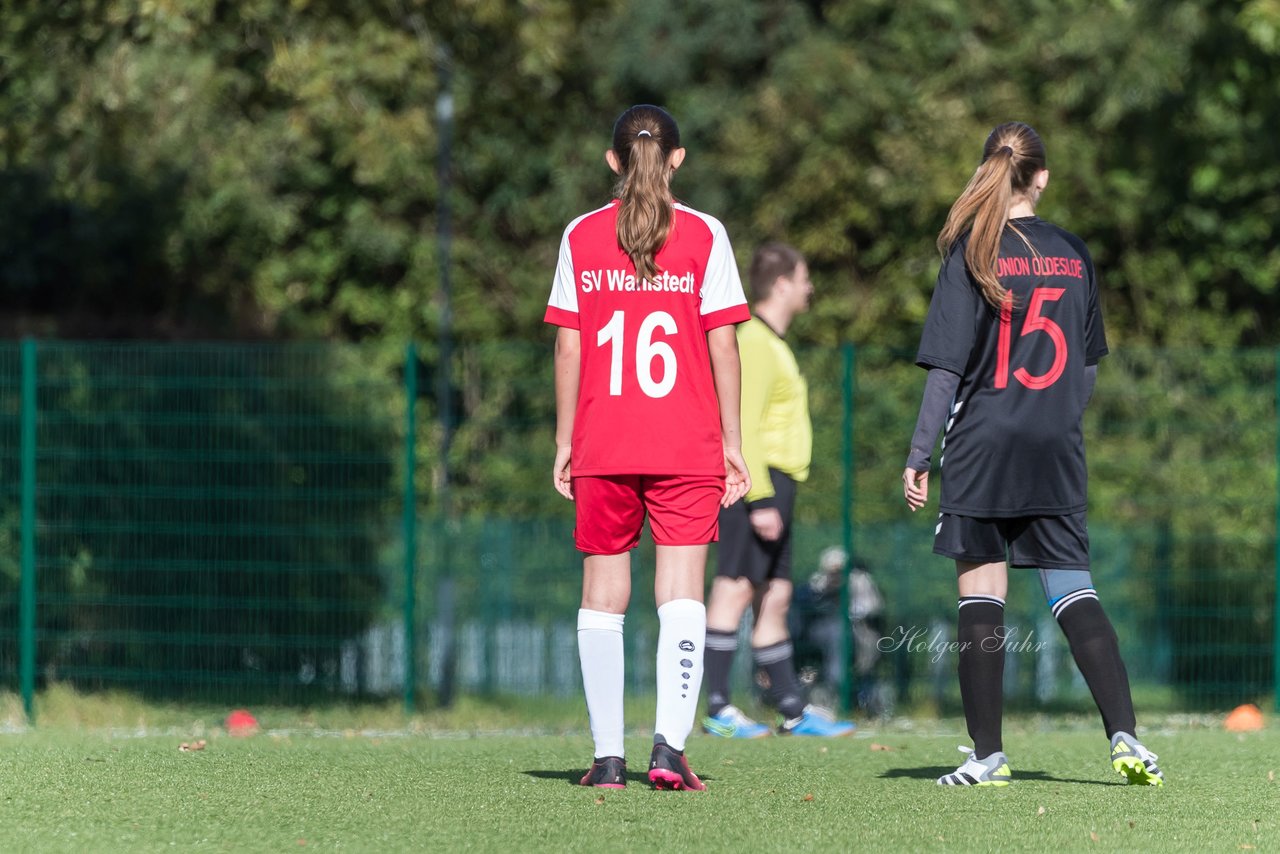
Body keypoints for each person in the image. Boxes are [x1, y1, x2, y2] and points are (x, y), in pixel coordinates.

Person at [902, 121, 1163, 787]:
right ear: (1041, 177)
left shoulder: (974, 248)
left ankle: (988, 756)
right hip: (1056, 444)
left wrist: (918, 453)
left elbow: (944, 370)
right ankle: (1128, 739)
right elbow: (1088, 368)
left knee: (980, 594)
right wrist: (1054, 422)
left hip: (982, 443)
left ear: (994, 170)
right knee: (1073, 588)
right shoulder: (1075, 253)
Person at [546, 104, 752, 791]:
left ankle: (608, 760)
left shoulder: (581, 235)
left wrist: (563, 439)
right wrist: (733, 443)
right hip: (686, 439)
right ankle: (668, 750)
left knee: (604, 595)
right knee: (680, 593)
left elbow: (569, 343)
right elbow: (724, 343)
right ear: (678, 159)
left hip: (603, 437)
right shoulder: (703, 234)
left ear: (613, 161)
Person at [701, 243, 855, 739]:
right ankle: (717, 710)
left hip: (778, 485)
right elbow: (741, 421)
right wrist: (759, 497)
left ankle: (793, 710)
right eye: (804, 278)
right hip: (755, 484)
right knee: (733, 589)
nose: (810, 288)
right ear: (782, 283)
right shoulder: (753, 339)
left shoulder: (774, 342)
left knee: (777, 596)